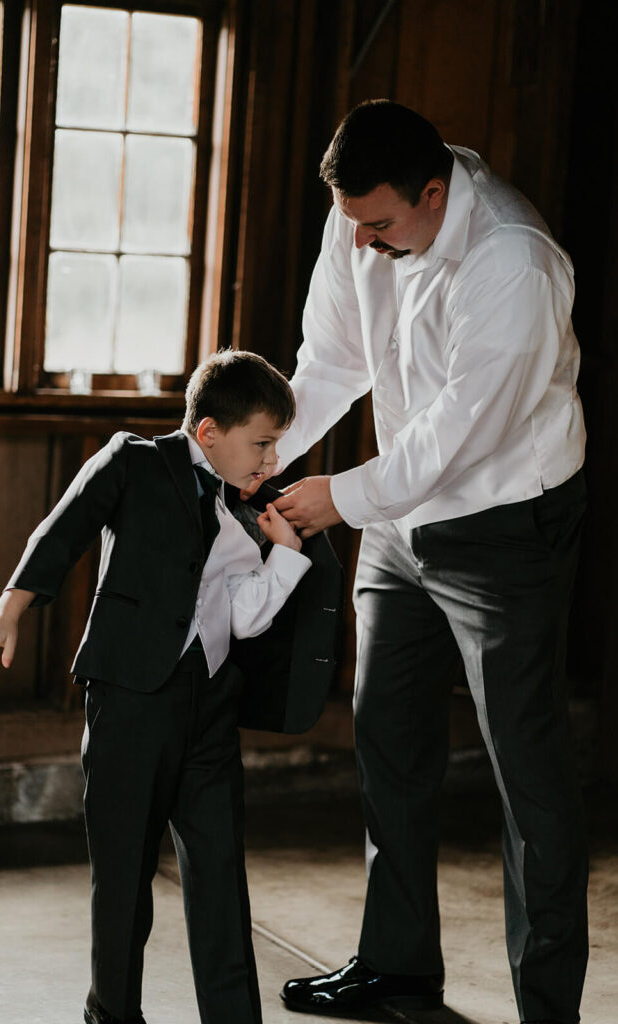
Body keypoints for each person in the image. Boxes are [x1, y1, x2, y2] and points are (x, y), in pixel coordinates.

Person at [272, 101, 588, 1024]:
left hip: (505, 523)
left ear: (435, 193)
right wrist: (252, 454)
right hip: (396, 514)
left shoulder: (514, 262)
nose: (362, 244)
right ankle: (397, 964)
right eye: (351, 224)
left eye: (378, 225)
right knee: (388, 740)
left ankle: (547, 1008)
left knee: (525, 769)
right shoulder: (360, 220)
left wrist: (340, 496)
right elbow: (329, 360)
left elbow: (461, 434)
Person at [0, 350, 342, 1024]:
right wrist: (9, 611)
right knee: (123, 877)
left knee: (219, 873)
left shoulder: (246, 510)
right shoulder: (133, 463)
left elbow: (247, 616)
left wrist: (285, 552)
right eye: (262, 443)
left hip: (209, 706)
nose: (270, 459)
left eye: (276, 445)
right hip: (131, 700)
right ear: (208, 433)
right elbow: (63, 530)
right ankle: (112, 1014)